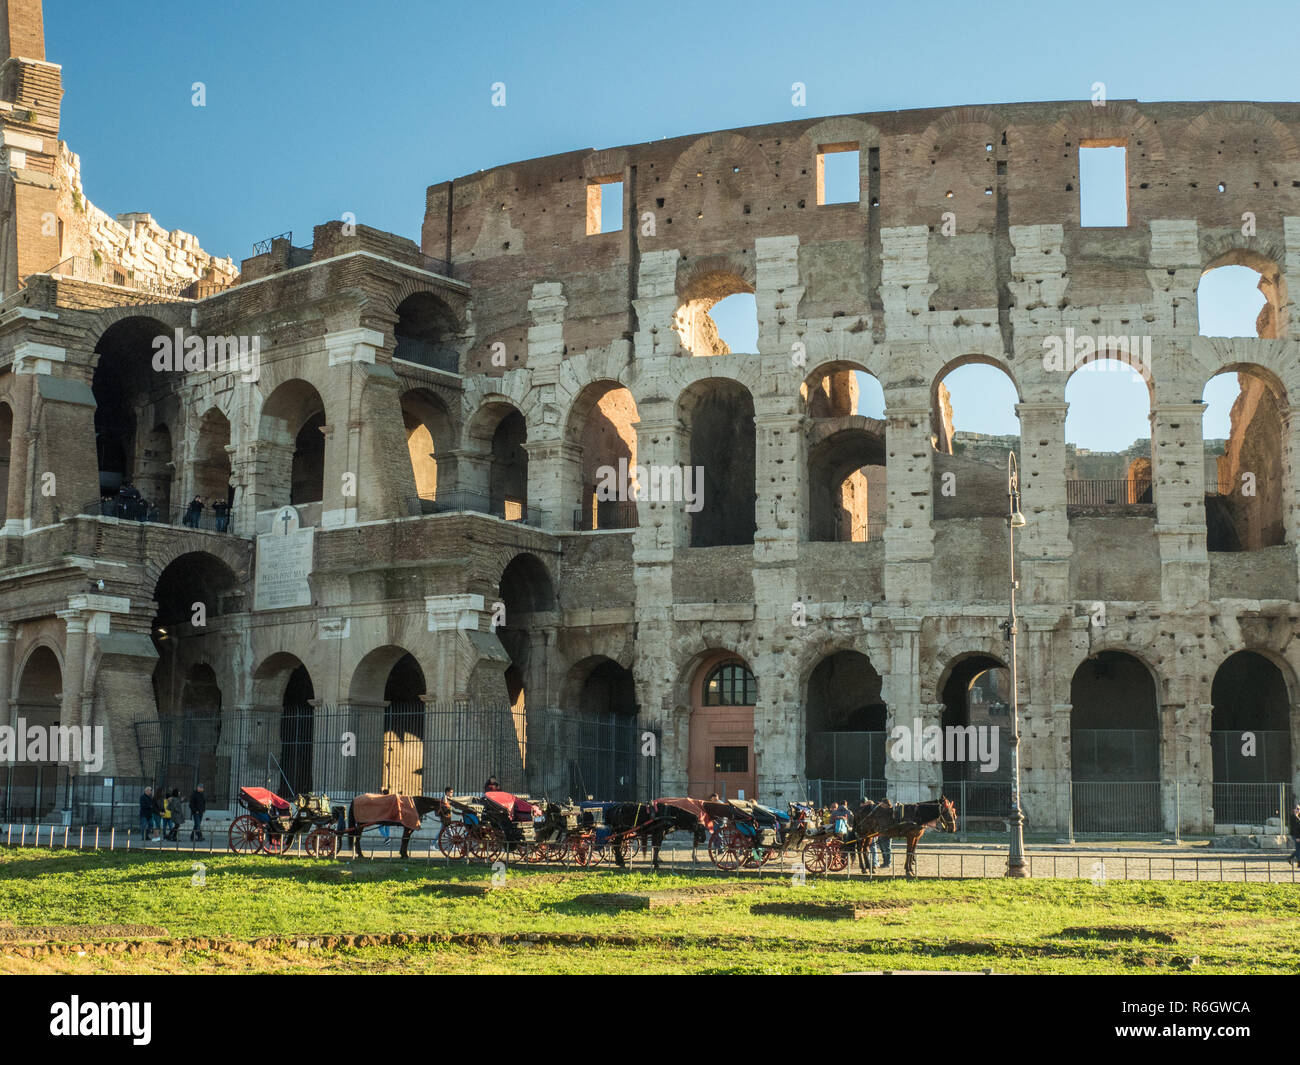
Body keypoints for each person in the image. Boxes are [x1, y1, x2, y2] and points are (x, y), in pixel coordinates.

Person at [1289, 803, 1300, 867]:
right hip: (1296, 835)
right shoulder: (1293, 817)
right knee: (1298, 849)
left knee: (1298, 849)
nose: (1298, 810)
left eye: (1299, 809)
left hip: (1298, 835)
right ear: (1293, 810)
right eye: (1297, 809)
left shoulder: (1297, 817)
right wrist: (1297, 837)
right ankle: (1299, 863)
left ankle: (1290, 858)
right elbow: (1295, 828)